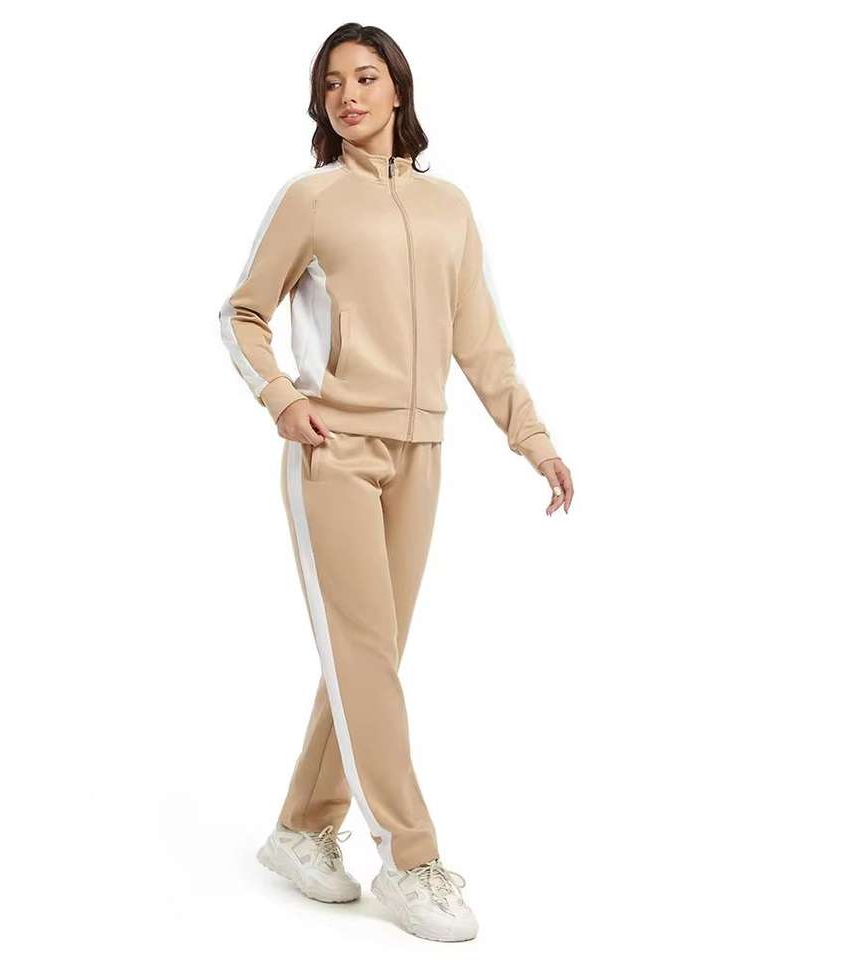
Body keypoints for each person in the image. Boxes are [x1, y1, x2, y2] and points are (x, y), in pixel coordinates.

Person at [218, 22, 573, 943]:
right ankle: (411, 861)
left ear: (398, 89)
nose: (349, 95)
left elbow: (480, 339)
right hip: (333, 450)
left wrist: (531, 438)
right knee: (366, 655)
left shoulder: (449, 206)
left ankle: (301, 829)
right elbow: (243, 313)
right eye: (332, 82)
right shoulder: (311, 198)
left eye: (366, 77)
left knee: (370, 657)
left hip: (422, 453)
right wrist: (282, 399)